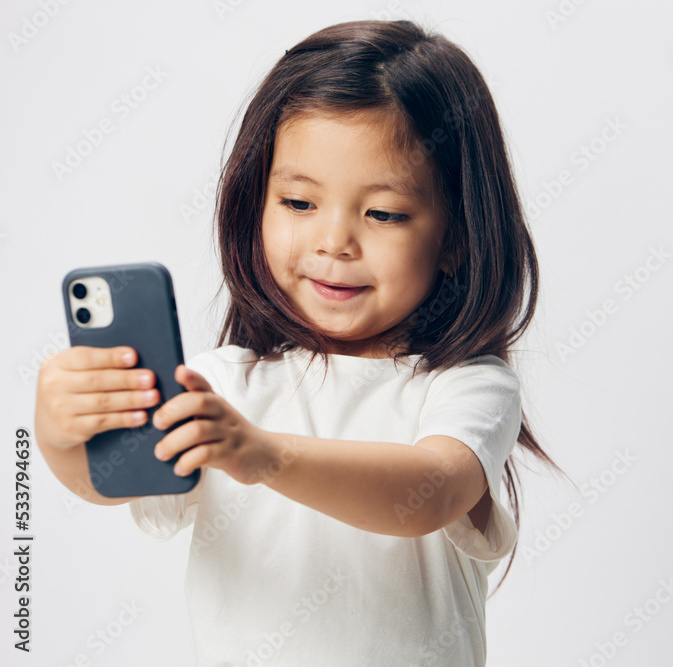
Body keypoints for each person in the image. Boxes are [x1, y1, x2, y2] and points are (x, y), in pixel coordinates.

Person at [34, 18, 567, 666]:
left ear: (458, 236)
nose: (333, 241)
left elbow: (429, 491)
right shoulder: (225, 384)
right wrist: (61, 437)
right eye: (297, 202)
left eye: (384, 213)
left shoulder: (464, 385)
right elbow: (120, 481)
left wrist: (264, 455)